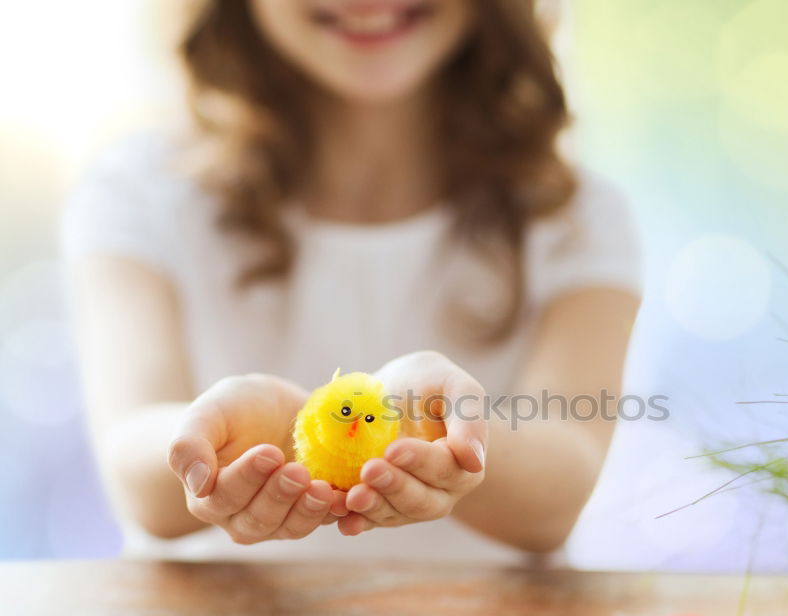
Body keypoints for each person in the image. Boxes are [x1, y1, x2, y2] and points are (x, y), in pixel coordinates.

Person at [61, 0, 641, 563]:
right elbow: (134, 469)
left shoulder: (576, 217)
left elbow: (560, 487)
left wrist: (433, 432)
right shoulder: (137, 195)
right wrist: (249, 435)